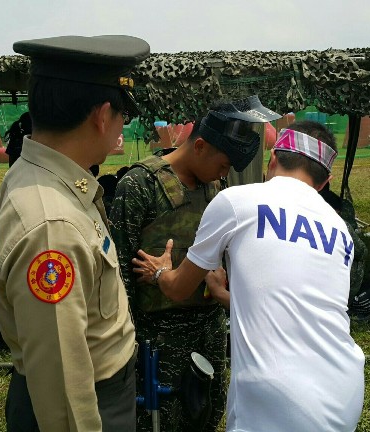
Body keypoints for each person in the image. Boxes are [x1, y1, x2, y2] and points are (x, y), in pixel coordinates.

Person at [132, 122, 365, 432]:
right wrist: (223, 296)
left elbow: (178, 288)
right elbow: (295, 306)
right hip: (344, 390)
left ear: (271, 160)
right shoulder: (340, 231)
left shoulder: (236, 202)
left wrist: (159, 272)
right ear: (325, 183)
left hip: (275, 396)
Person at [0, 34, 150, 432]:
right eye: (121, 115)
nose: (121, 127)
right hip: (88, 400)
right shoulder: (52, 226)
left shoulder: (43, 177)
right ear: (101, 115)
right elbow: (62, 380)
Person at [110, 95, 281, 432]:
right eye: (223, 164)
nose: (225, 173)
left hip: (208, 330)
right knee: (160, 420)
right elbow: (119, 273)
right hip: (158, 338)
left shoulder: (216, 187)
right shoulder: (140, 185)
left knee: (207, 412)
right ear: (200, 146)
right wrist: (125, 348)